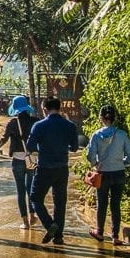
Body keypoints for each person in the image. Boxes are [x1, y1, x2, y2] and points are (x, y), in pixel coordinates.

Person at [27, 96, 79, 245]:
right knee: (60, 202)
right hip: (62, 168)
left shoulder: (39, 126)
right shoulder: (69, 125)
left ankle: (50, 225)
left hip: (44, 167)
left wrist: (42, 147)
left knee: (35, 198)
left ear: (44, 109)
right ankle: (59, 236)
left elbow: (30, 146)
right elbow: (74, 147)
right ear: (60, 108)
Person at [87, 104, 130, 245]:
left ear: (101, 118)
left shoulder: (96, 135)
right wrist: (123, 163)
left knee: (102, 204)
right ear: (114, 118)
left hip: (103, 173)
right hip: (119, 173)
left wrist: (96, 164)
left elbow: (90, 156)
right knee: (116, 205)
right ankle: (115, 236)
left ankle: (99, 232)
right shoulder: (121, 134)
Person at [0, 95, 38, 229]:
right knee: (31, 189)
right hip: (32, 158)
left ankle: (25, 222)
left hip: (17, 159)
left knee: (20, 190)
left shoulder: (12, 123)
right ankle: (32, 216)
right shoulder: (35, 121)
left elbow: (4, 138)